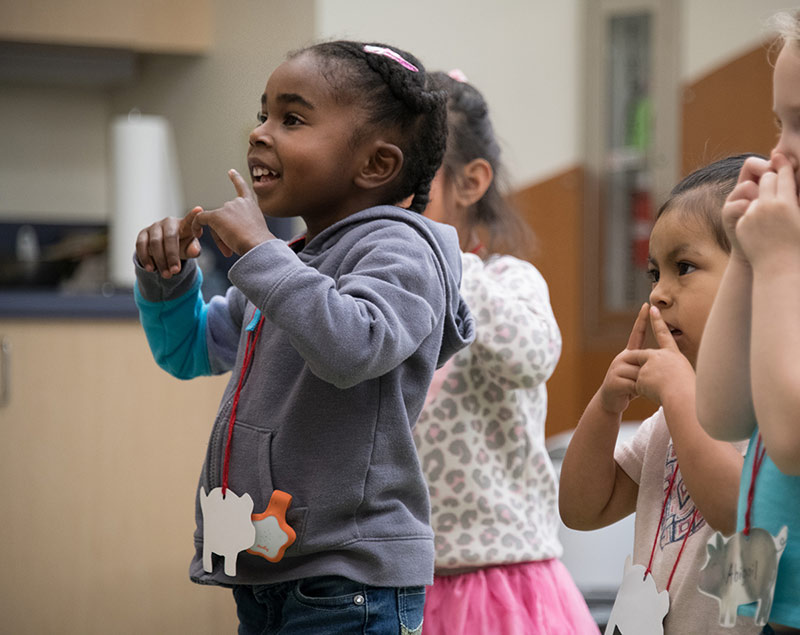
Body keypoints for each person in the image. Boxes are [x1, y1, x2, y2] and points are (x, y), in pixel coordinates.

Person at [133, 41, 474, 634]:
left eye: (291, 119)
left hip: (351, 581)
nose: (260, 133)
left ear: (376, 165)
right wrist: (168, 282)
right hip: (271, 571)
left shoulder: (402, 249)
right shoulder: (293, 263)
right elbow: (191, 352)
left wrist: (262, 254)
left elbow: (355, 346)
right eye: (263, 113)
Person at [413, 70, 597, 634]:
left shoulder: (506, 280)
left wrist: (443, 259)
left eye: (416, 185)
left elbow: (531, 354)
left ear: (470, 183)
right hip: (398, 580)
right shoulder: (380, 295)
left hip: (501, 581)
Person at [559, 154, 764, 634]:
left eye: (684, 267)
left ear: (756, 277)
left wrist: (677, 393)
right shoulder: (666, 418)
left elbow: (738, 513)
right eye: (655, 274)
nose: (658, 295)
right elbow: (582, 509)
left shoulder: (771, 408)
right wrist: (606, 407)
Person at [696, 13, 800, 634]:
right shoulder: (789, 257)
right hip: (769, 605)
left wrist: (780, 265)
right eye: (779, 122)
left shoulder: (790, 263)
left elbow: (791, 440)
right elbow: (725, 413)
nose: (780, 151)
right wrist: (741, 255)